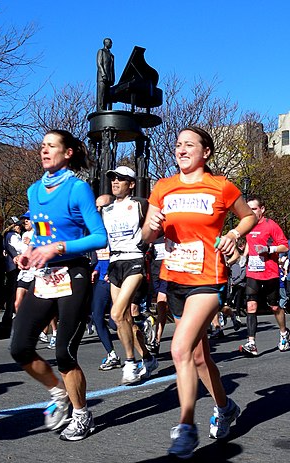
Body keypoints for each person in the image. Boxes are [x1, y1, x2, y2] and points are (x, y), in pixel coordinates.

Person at [142, 126, 257, 459]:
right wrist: (153, 226)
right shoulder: (163, 187)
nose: (181, 149)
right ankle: (225, 407)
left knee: (179, 349)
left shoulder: (220, 186)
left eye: (189, 144)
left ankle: (185, 426)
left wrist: (234, 234)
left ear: (205, 152)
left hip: (209, 278)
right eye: (178, 144)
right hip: (175, 279)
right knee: (197, 357)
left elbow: (247, 217)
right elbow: (148, 234)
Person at [10, 129, 107, 442]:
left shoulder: (78, 189)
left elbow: (99, 236)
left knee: (65, 351)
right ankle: (57, 392)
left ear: (68, 153)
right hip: (45, 275)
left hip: (74, 272)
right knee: (20, 346)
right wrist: (29, 252)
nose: (44, 151)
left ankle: (81, 414)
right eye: (42, 146)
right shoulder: (33, 190)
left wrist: (59, 248)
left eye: (51, 146)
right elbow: (41, 233)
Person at [102, 166, 158, 385]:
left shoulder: (140, 205)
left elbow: (157, 226)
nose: (115, 182)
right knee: (124, 319)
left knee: (116, 314)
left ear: (131, 184)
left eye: (121, 179)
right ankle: (147, 357)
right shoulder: (106, 209)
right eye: (113, 179)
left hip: (134, 260)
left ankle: (130, 363)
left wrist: (147, 245)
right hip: (114, 262)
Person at [240, 195, 290, 356]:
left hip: (270, 272)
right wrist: (243, 256)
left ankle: (284, 333)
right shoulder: (247, 225)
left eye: (254, 209)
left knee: (274, 306)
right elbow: (249, 242)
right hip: (253, 272)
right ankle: (251, 343)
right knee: (251, 306)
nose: (251, 212)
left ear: (262, 209)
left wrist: (269, 250)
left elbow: (284, 246)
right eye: (249, 209)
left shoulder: (271, 225)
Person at [91, 194, 121, 371]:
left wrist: (112, 270)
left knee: (117, 320)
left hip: (116, 277)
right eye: (96, 207)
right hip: (102, 277)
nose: (98, 210)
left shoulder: (115, 226)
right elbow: (100, 254)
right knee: (97, 317)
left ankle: (141, 324)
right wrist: (96, 269)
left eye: (102, 207)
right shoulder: (97, 228)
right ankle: (111, 354)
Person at [2, 217, 24, 327]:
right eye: (18, 225)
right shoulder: (13, 236)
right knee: (14, 292)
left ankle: (9, 315)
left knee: (12, 292)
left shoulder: (7, 236)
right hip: (14, 267)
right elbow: (21, 248)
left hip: (10, 267)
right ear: (13, 226)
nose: (20, 227)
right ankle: (11, 315)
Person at [96, 37, 115, 111]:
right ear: (106, 43)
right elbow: (99, 63)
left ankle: (106, 111)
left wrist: (113, 78)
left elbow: (112, 68)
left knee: (108, 96)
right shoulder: (101, 51)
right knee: (101, 95)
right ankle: (100, 111)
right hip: (102, 78)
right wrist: (103, 74)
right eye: (110, 42)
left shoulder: (111, 55)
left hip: (109, 79)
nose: (111, 44)